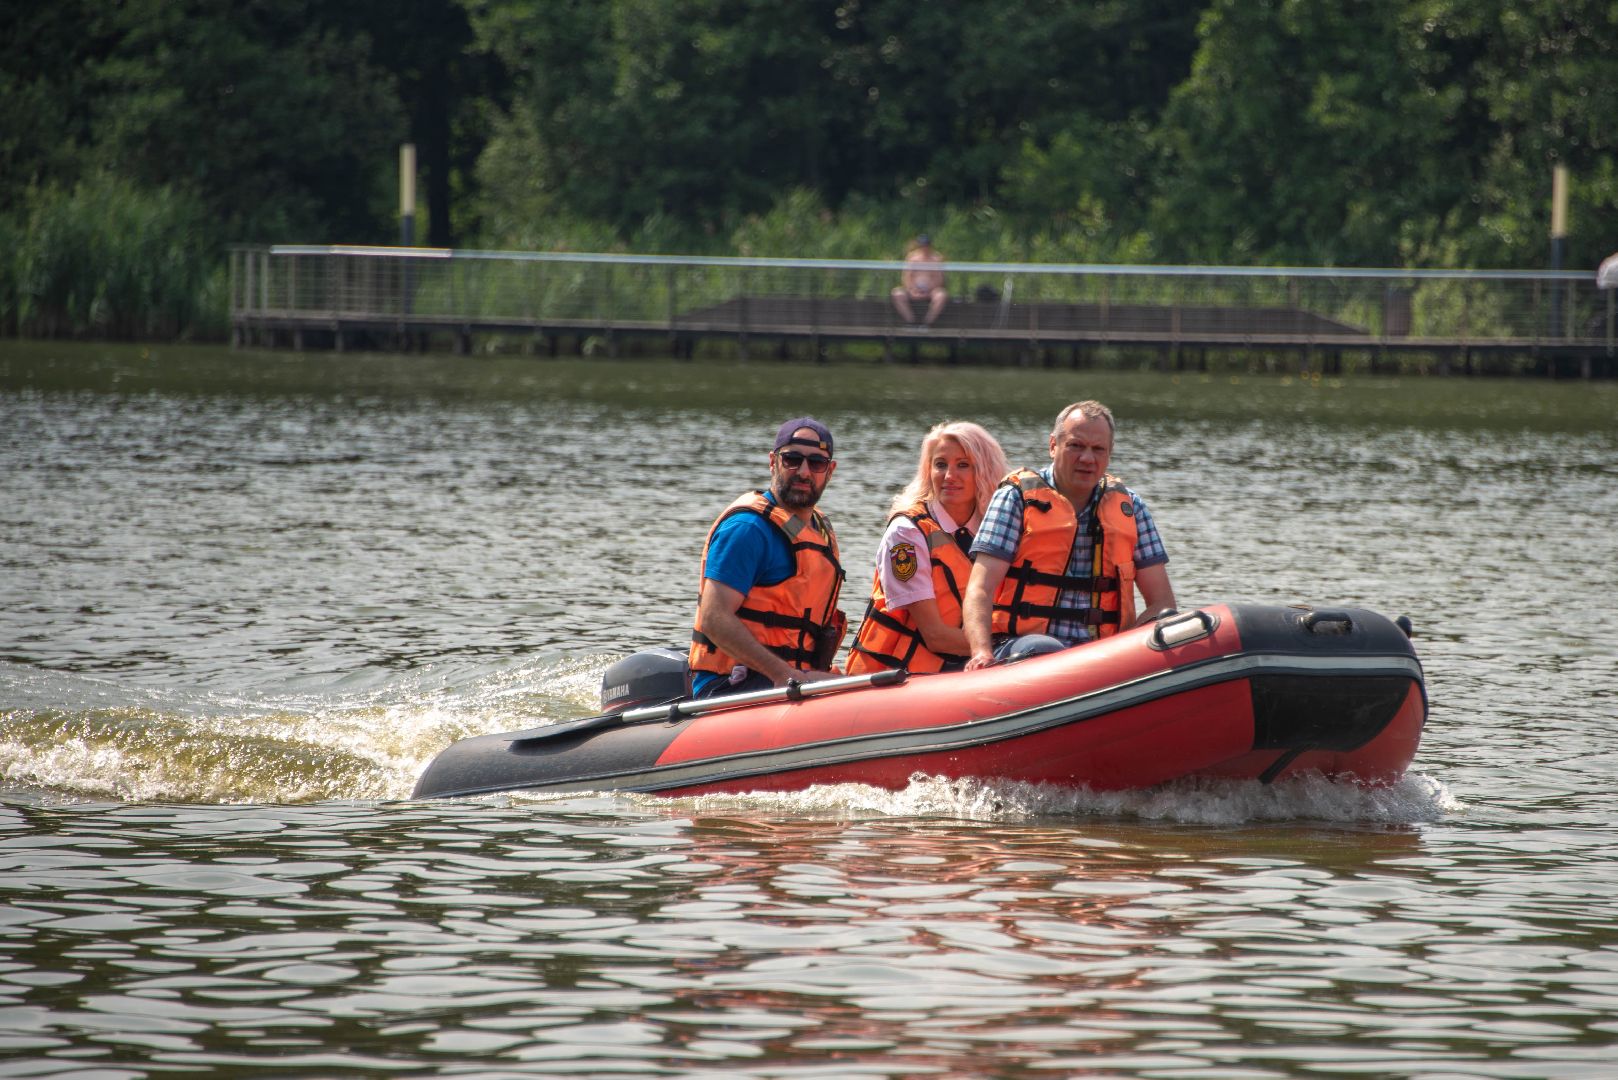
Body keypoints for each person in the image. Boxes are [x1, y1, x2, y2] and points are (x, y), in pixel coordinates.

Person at [962, 401, 1177, 670]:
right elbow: (980, 589)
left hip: (1105, 651)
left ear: (1109, 453)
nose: (1087, 458)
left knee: (1175, 624)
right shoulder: (1016, 498)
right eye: (1076, 446)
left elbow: (1161, 602)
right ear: (1053, 445)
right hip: (1022, 646)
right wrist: (981, 653)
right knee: (1045, 649)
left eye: (1098, 449)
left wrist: (1128, 648)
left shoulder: (1130, 507)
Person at [689, 418, 848, 699]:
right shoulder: (748, 529)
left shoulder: (819, 531)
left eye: (816, 463)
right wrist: (782, 674)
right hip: (731, 684)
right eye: (792, 459)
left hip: (791, 680)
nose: (803, 472)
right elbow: (713, 617)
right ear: (773, 462)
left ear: (830, 471)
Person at [847, 421, 1010, 675]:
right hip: (902, 676)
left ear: (984, 470)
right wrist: (1008, 649)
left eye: (963, 465)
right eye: (940, 465)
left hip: (965, 666)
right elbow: (935, 636)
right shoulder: (906, 533)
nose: (949, 476)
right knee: (1035, 648)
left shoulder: (995, 528)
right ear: (928, 471)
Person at [890, 234, 949, 328]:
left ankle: (927, 323)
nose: (924, 248)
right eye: (922, 245)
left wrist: (929, 290)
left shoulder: (936, 258)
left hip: (931, 290)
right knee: (897, 293)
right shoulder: (912, 258)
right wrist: (912, 290)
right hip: (913, 289)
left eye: (926, 245)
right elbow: (906, 277)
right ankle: (910, 321)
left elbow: (939, 278)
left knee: (941, 295)